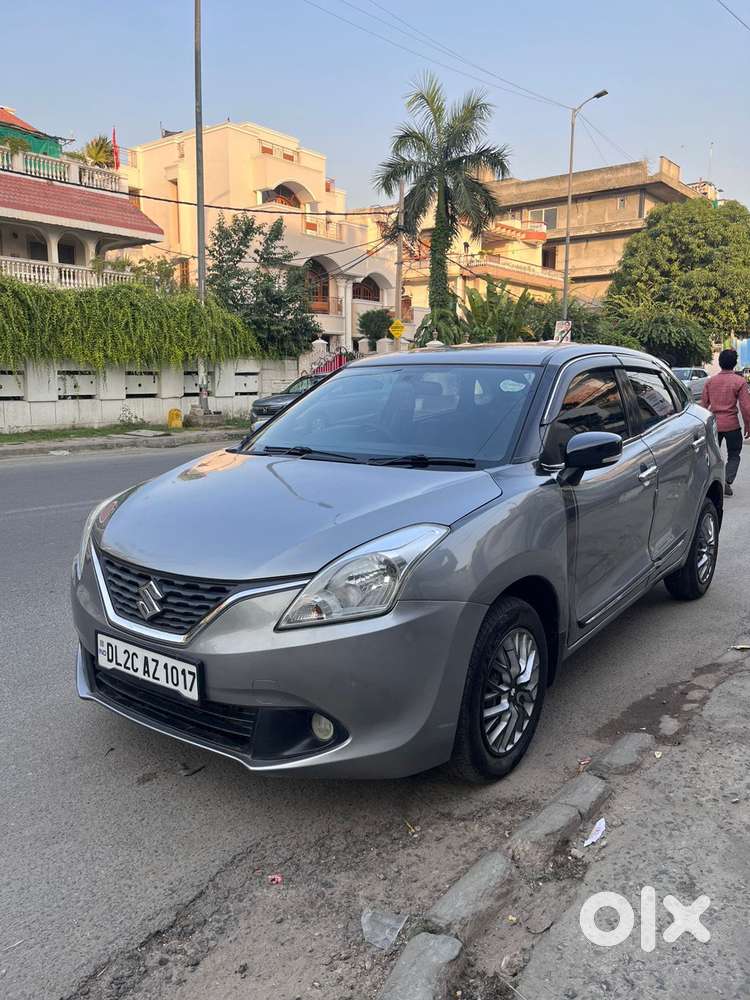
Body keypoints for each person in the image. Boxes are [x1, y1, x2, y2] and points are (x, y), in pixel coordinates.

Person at [701, 348, 750, 496]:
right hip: (732, 425)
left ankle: (713, 482)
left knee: (714, 455)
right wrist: (748, 425)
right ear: (734, 363)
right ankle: (727, 480)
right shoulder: (739, 381)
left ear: (720, 363)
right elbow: (746, 407)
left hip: (715, 425)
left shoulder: (710, 382)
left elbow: (703, 406)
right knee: (734, 454)